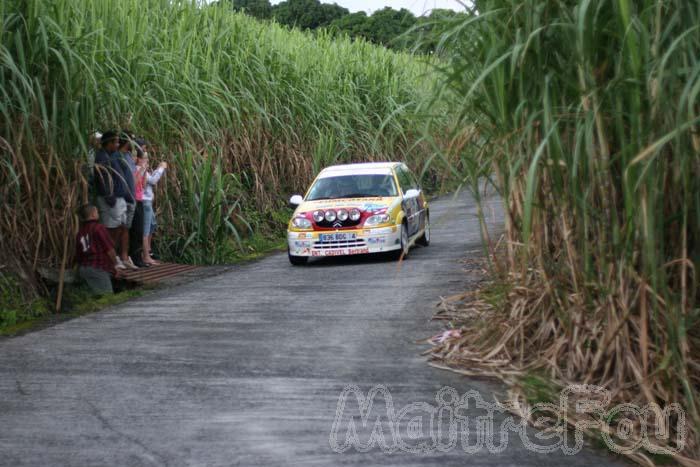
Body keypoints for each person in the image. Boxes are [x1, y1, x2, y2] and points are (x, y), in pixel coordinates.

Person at [94, 130, 130, 271]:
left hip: (119, 198)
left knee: (120, 227)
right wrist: (111, 198)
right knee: (111, 229)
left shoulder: (113, 155)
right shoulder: (102, 157)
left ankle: (115, 258)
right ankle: (110, 260)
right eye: (114, 142)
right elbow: (102, 179)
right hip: (111, 200)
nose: (117, 144)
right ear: (108, 143)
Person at [75, 204, 118, 295]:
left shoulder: (80, 232)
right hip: (97, 268)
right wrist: (115, 265)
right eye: (97, 212)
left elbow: (79, 255)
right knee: (107, 297)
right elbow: (109, 249)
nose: (98, 213)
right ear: (93, 214)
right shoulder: (99, 228)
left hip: (84, 269)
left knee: (95, 296)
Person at [112, 132, 139, 269]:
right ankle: (114, 257)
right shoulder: (116, 156)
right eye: (132, 140)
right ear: (126, 141)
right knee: (117, 228)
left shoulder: (128, 156)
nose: (134, 143)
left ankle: (124, 256)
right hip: (121, 197)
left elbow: (133, 175)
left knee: (126, 228)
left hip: (131, 197)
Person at [140, 147, 167, 265]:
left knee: (152, 225)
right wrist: (160, 169)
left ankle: (148, 251)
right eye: (144, 158)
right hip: (145, 202)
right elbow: (153, 180)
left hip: (148, 202)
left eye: (147, 158)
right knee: (146, 229)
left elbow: (151, 179)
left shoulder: (144, 170)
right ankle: (145, 255)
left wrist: (158, 169)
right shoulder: (140, 169)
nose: (147, 161)